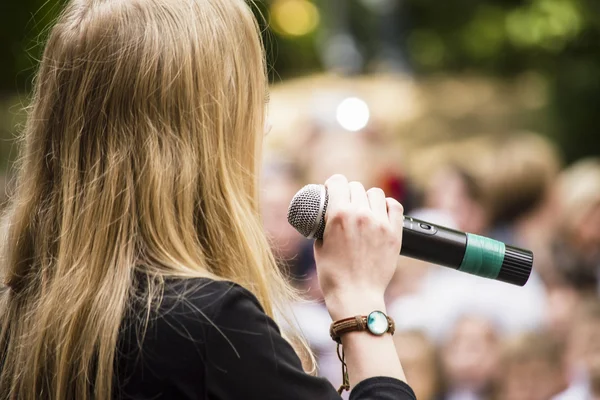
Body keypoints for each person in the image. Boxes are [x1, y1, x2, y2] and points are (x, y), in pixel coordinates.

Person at [0, 1, 416, 400]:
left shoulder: (15, 304)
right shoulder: (207, 325)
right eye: (252, 102)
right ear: (202, 135)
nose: (265, 125)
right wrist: (362, 306)